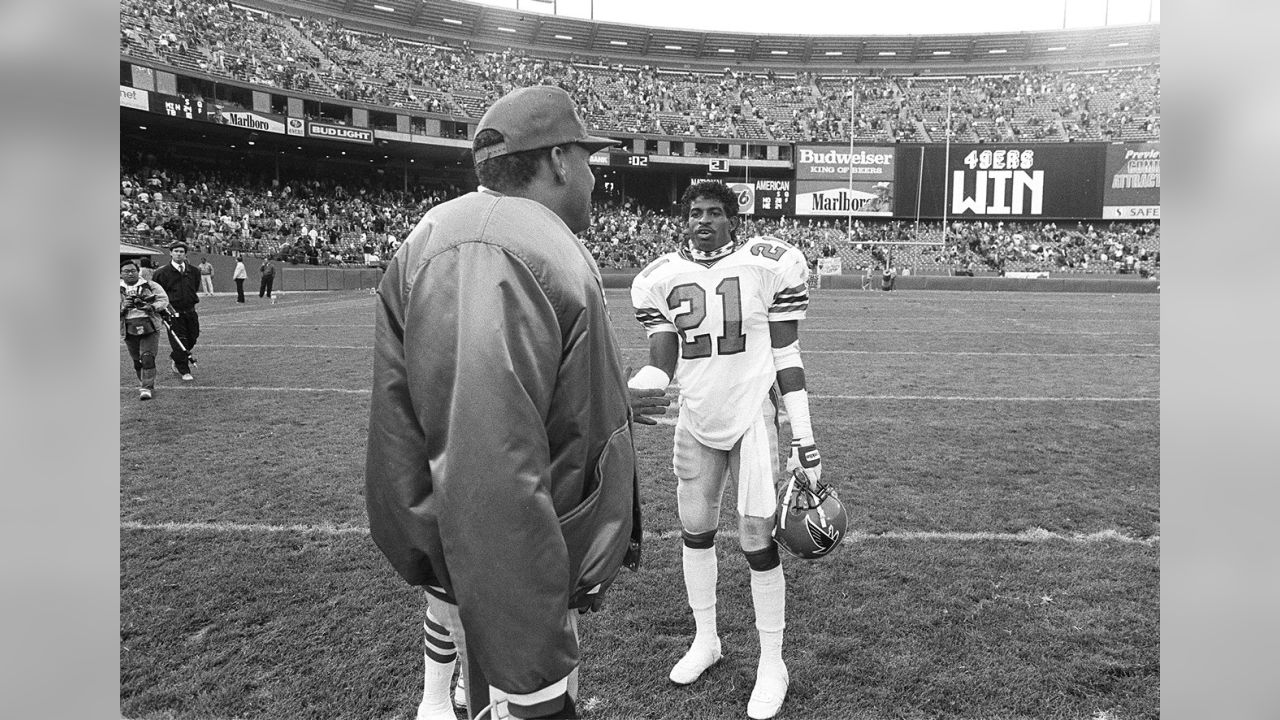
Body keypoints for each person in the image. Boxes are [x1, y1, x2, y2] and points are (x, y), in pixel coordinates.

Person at [365, 85, 668, 720]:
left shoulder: (491, 233)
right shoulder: (493, 244)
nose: (592, 176)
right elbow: (488, 470)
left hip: (507, 575)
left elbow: (516, 396)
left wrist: (610, 400)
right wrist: (533, 689)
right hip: (506, 590)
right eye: (587, 159)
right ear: (557, 160)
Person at [628, 180, 823, 720]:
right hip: (695, 414)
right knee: (695, 532)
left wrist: (804, 438)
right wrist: (637, 386)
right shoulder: (660, 277)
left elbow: (787, 356)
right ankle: (706, 638)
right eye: (695, 212)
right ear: (683, 220)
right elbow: (661, 360)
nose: (704, 220)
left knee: (758, 540)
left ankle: (772, 661)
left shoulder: (768, 263)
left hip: (752, 417)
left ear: (733, 220)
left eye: (715, 212)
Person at [150, 242, 202, 381]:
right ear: (170, 253)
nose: (179, 253)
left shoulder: (194, 271)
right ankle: (184, 370)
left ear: (185, 254)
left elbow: (194, 287)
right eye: (176, 251)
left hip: (190, 310)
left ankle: (175, 357)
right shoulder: (161, 273)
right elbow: (157, 293)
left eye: (181, 251)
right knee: (179, 340)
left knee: (193, 336)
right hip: (172, 312)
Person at [120, 259, 170, 401]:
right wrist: (123, 307)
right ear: (120, 274)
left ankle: (147, 387)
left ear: (138, 272)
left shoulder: (150, 285)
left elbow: (163, 300)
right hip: (128, 326)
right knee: (137, 360)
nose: (130, 274)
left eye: (133, 271)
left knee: (147, 357)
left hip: (150, 324)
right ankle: (143, 382)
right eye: (126, 271)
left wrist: (151, 307)